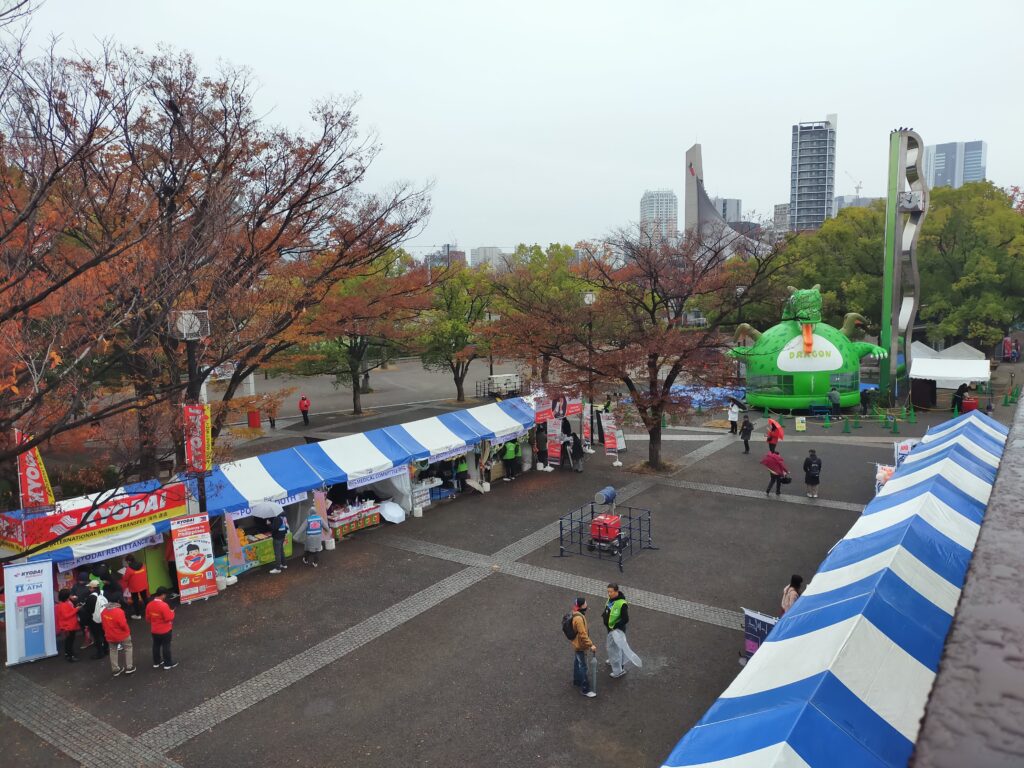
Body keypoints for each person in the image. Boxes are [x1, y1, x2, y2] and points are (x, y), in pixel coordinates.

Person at [602, 583, 642, 679]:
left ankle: (618, 671)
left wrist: (615, 626)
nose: (609, 593)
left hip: (617, 630)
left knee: (615, 649)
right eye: (608, 591)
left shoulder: (622, 603)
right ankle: (614, 661)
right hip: (611, 629)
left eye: (611, 592)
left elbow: (625, 619)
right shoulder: (611, 599)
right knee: (613, 647)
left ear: (616, 591)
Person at [568, 597, 597, 698]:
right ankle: (585, 689)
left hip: (576, 644)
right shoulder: (579, 619)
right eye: (585, 604)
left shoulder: (575, 613)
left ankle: (577, 681)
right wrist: (591, 645)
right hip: (580, 645)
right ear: (581, 606)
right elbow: (583, 634)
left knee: (577, 662)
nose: (586, 605)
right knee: (584, 667)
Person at [101, 598, 135, 676]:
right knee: (128, 648)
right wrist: (127, 631)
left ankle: (115, 669)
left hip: (109, 635)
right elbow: (123, 625)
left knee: (113, 650)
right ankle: (129, 667)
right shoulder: (119, 612)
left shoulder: (104, 612)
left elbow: (103, 624)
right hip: (122, 634)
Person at [146, 586, 177, 669]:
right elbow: (169, 618)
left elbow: (148, 618)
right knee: (166, 646)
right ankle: (168, 663)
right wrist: (172, 612)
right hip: (165, 630)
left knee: (156, 645)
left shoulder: (149, 605)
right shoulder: (164, 605)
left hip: (154, 630)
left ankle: (156, 662)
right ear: (163, 595)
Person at [79, 580, 108, 659]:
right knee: (104, 634)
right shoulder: (102, 593)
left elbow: (87, 610)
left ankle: (100, 653)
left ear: (92, 588)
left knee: (97, 636)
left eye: (89, 587)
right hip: (103, 617)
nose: (89, 588)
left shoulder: (91, 597)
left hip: (94, 619)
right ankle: (106, 649)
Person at [55, 589, 80, 662]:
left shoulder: (63, 603)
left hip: (67, 626)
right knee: (69, 641)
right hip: (68, 626)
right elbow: (66, 615)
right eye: (69, 595)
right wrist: (76, 609)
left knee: (69, 641)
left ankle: (68, 654)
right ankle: (70, 656)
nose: (70, 596)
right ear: (66, 596)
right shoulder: (64, 605)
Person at [124, 555, 149, 619]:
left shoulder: (129, 569)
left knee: (135, 600)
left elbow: (125, 579)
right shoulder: (143, 565)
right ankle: (149, 611)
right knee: (145, 598)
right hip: (143, 585)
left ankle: (138, 615)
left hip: (134, 587)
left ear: (129, 561)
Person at [269, 510, 290, 574]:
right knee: (281, 551)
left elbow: (274, 528)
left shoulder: (277, 518)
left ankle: (278, 568)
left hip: (277, 538)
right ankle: (284, 564)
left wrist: (269, 524)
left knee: (277, 553)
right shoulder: (283, 517)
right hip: (282, 536)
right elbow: (286, 527)